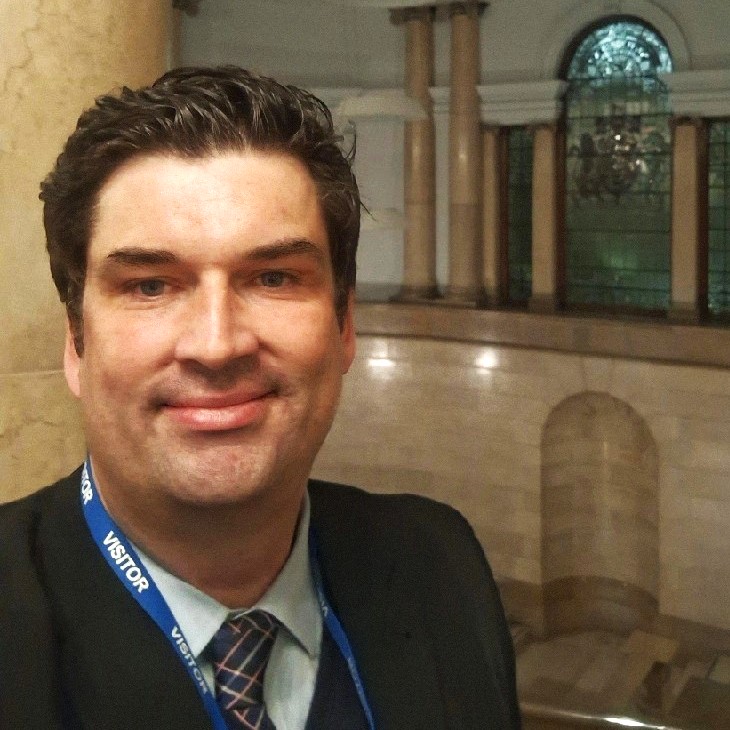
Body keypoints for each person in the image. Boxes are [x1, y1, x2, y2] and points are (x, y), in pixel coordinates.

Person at [0, 66, 521, 729]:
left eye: (273, 277)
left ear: (344, 327)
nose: (217, 345)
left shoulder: (437, 558)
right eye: (150, 285)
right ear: (77, 341)